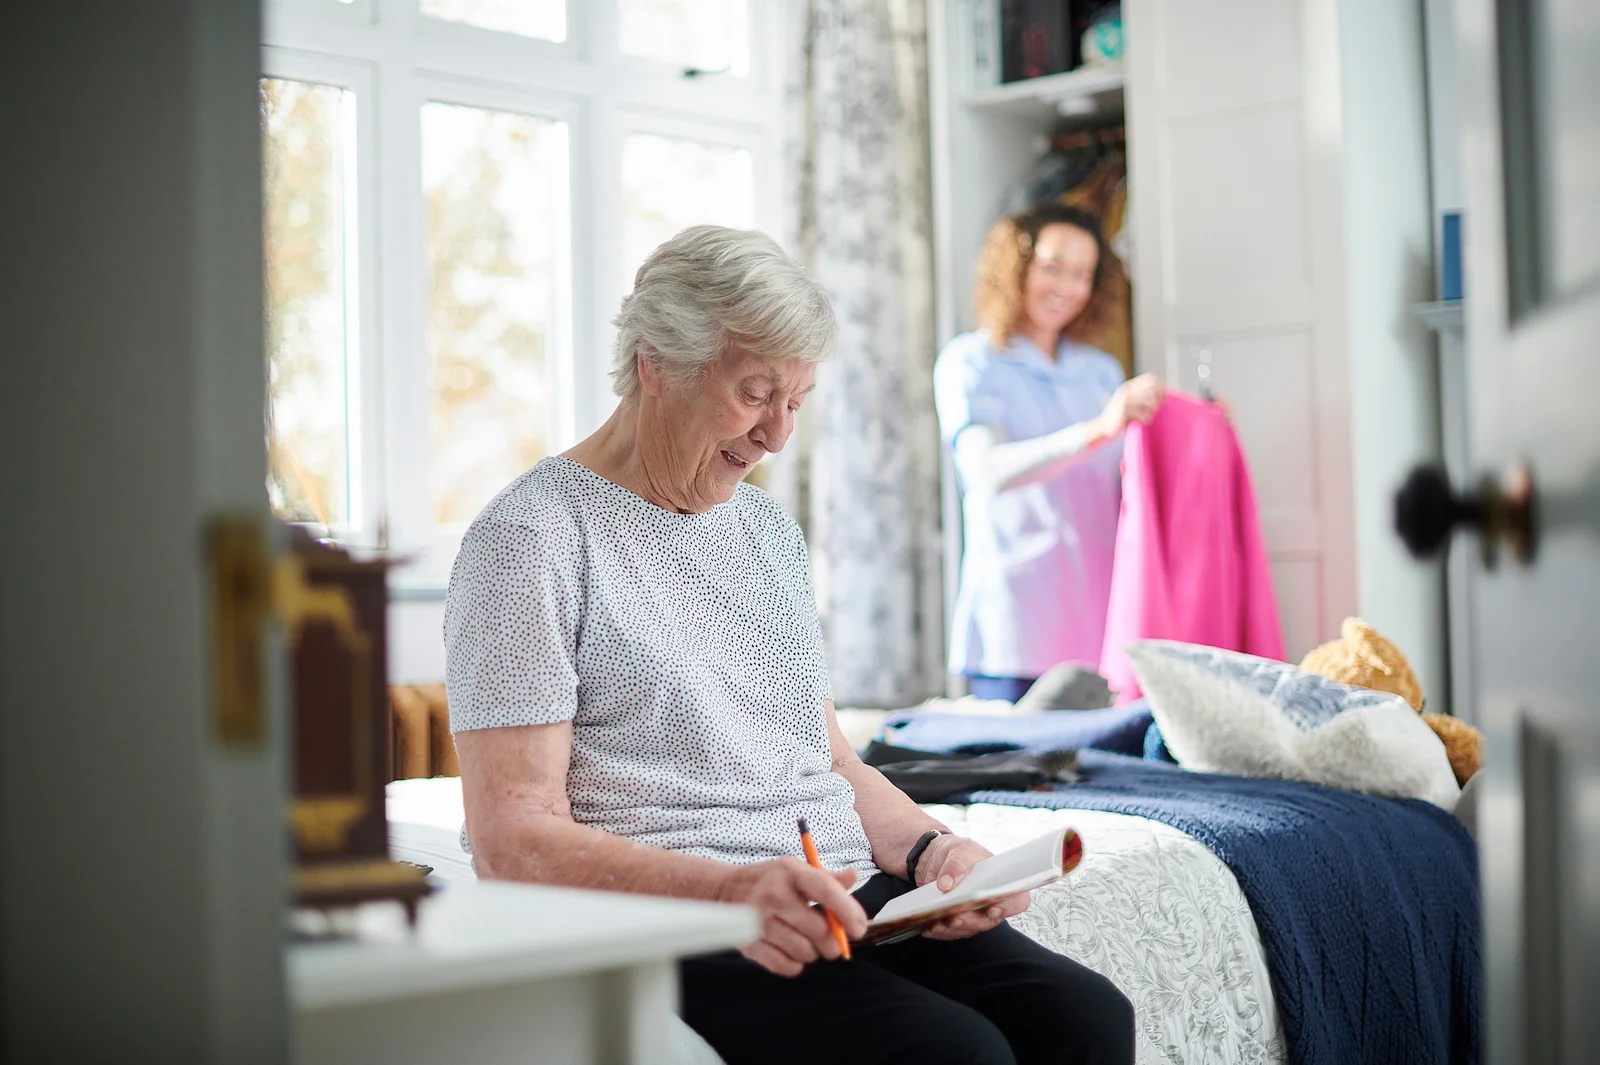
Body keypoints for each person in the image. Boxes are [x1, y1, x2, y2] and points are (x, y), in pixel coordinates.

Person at [445, 225, 1134, 1065]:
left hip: (835, 892)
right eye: (753, 393)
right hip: (686, 913)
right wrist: (735, 888)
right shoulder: (529, 538)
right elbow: (512, 837)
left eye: (796, 402)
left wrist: (932, 853)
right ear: (656, 363)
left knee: (1087, 1016)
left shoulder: (767, 529)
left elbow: (828, 759)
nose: (776, 435)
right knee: (955, 1052)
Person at [934, 203, 1166, 703]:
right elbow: (987, 472)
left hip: (1101, 622)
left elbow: (1134, 478)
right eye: (1053, 268)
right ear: (1016, 267)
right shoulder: (970, 363)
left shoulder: (1101, 372)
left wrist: (1200, 426)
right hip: (1015, 625)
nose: (1067, 287)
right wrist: (1098, 429)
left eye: (1082, 275)